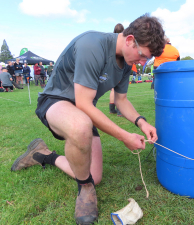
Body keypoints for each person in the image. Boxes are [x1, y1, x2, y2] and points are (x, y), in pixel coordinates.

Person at [11, 14, 165, 225]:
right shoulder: (92, 44)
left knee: (95, 175)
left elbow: (121, 100)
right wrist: (124, 137)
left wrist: (141, 122)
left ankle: (42, 154)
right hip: (55, 102)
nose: (142, 62)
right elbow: (84, 104)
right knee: (80, 126)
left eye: (146, 59)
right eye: (142, 56)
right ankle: (84, 189)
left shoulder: (127, 62)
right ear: (130, 40)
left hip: (81, 111)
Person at [109, 23, 124, 117]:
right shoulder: (123, 40)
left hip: (110, 67)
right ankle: (119, 111)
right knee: (119, 89)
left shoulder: (111, 39)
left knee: (113, 89)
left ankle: (112, 110)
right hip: (119, 66)